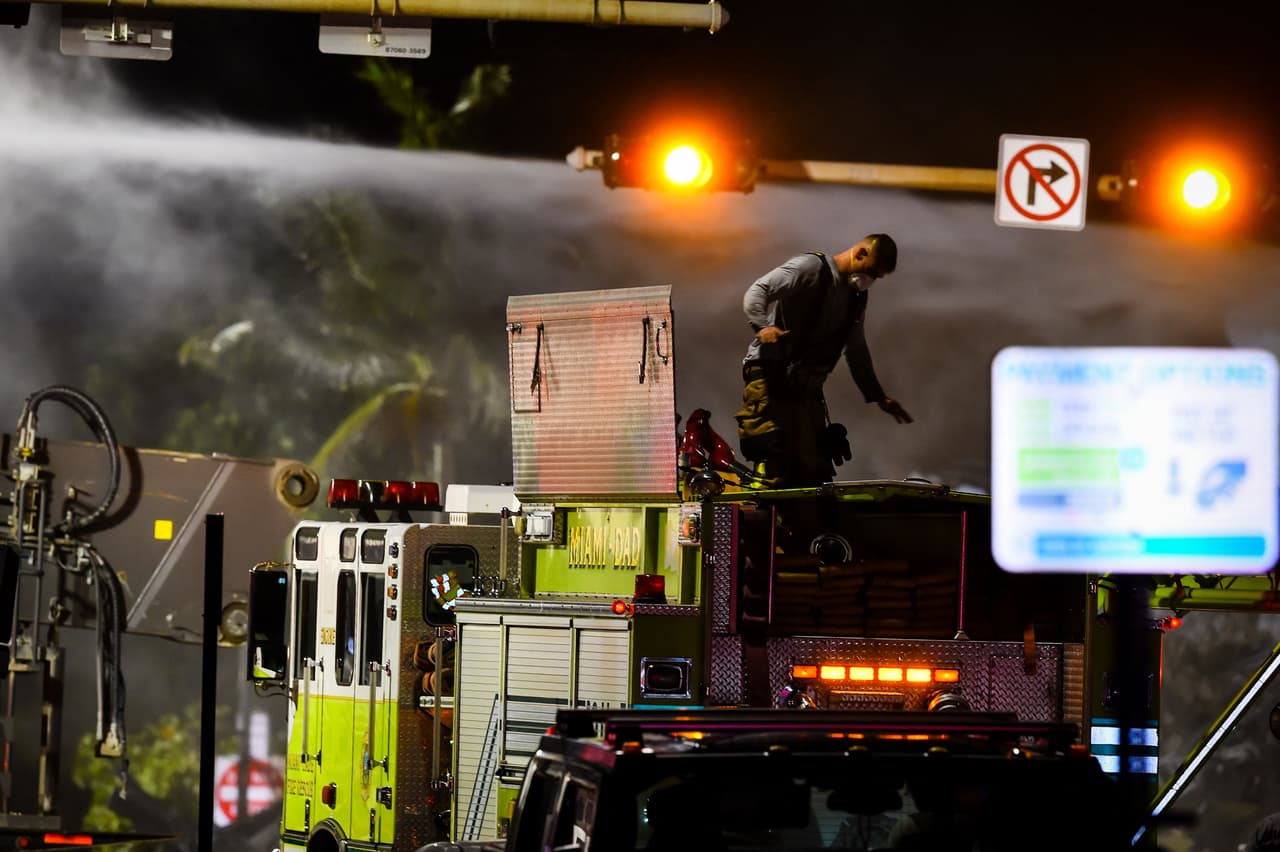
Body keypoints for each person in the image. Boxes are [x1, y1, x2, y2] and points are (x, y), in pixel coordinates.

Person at [734, 234, 912, 488]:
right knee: (774, 459)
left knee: (813, 469)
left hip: (807, 386)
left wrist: (877, 395)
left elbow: (856, 348)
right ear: (860, 253)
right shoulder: (810, 268)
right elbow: (759, 289)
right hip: (771, 374)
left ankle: (808, 525)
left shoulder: (856, 296)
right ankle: (765, 519)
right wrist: (762, 327)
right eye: (871, 271)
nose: (870, 280)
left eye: (876, 277)